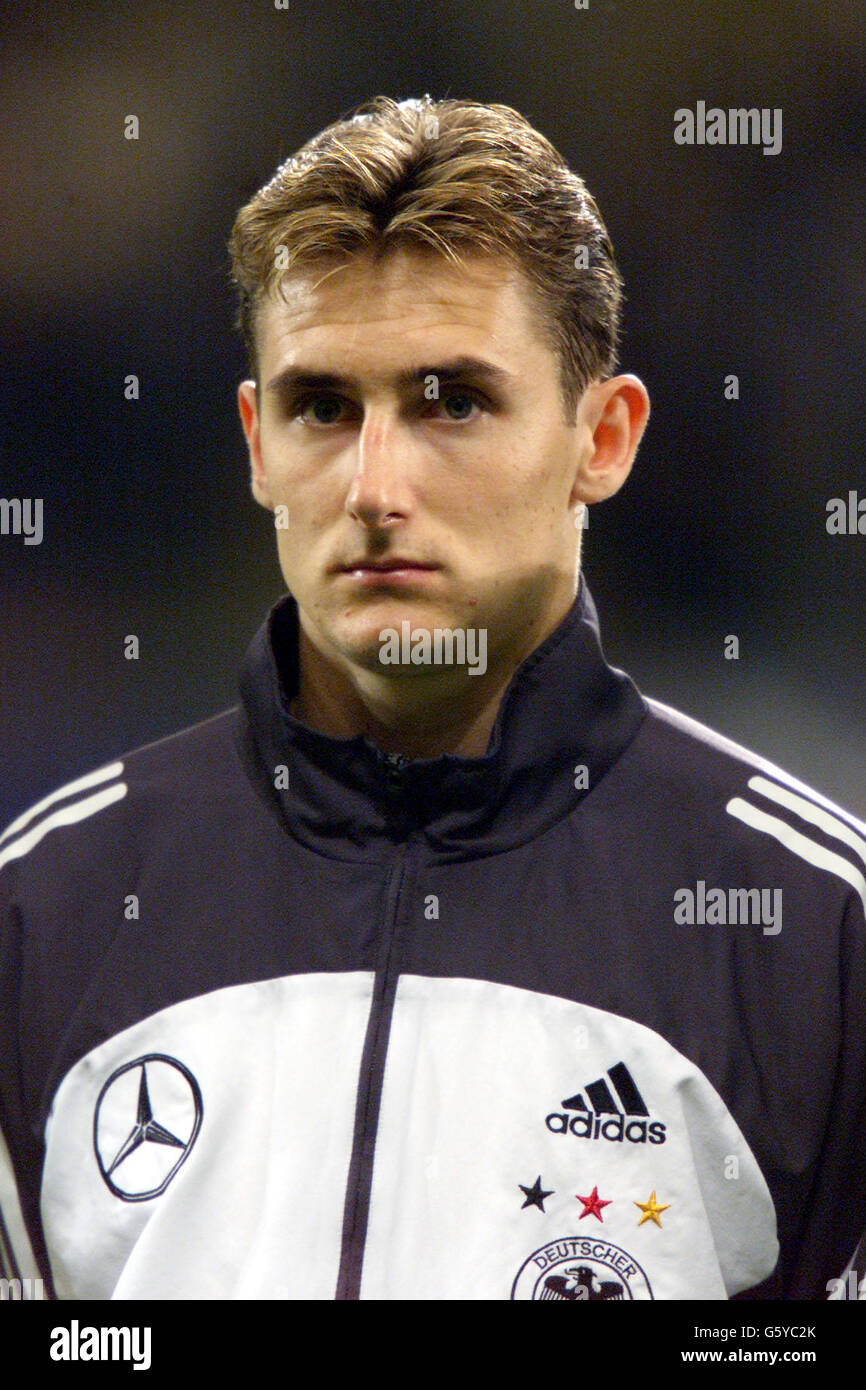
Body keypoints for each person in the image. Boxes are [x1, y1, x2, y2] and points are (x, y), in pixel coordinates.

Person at [1, 94, 864, 1302]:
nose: (373, 484)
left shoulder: (815, 940)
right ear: (256, 446)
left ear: (600, 438)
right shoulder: (44, 912)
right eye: (321, 407)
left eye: (451, 400)